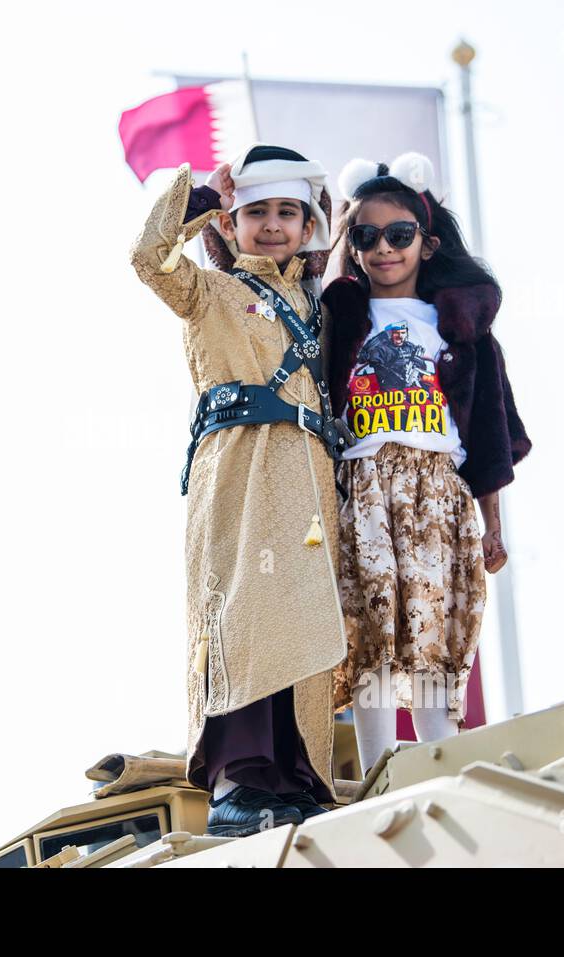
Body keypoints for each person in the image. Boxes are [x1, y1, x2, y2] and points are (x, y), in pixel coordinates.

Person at [130, 145, 351, 836]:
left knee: (303, 621)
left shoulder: (322, 305)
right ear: (233, 223)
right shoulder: (210, 291)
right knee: (245, 617)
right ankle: (241, 781)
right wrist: (203, 201)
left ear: (309, 224)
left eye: (289, 212)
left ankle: (296, 777)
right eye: (257, 212)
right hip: (238, 473)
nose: (274, 225)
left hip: (310, 480)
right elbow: (149, 259)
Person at [319, 152, 531, 775]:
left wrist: (493, 524)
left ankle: (439, 768)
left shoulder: (461, 328)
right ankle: (379, 774)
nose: (384, 248)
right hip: (364, 489)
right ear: (351, 245)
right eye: (366, 237)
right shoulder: (338, 320)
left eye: (399, 234)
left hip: (438, 492)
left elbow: (488, 434)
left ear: (427, 242)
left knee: (432, 635)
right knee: (373, 633)